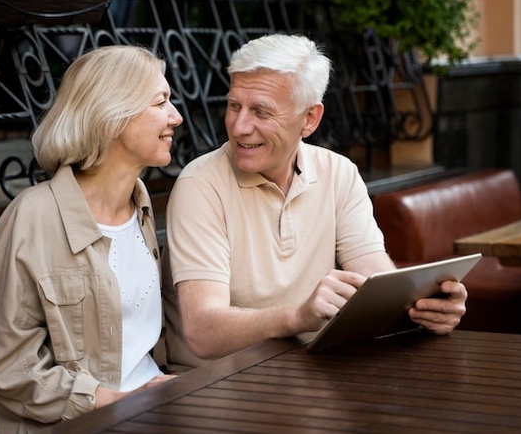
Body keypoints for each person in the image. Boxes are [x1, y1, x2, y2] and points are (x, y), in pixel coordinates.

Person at [161, 33, 468, 370]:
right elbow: (203, 333)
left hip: (309, 372)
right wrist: (297, 316)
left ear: (309, 119)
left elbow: (376, 279)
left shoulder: (338, 172)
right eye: (234, 105)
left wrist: (427, 308)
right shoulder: (199, 184)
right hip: (213, 387)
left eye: (261, 111)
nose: (239, 126)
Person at [0, 45, 183, 432]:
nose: (176, 116)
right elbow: (9, 370)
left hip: (152, 410)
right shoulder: (32, 219)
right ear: (112, 115)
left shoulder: (140, 206)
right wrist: (120, 402)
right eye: (161, 102)